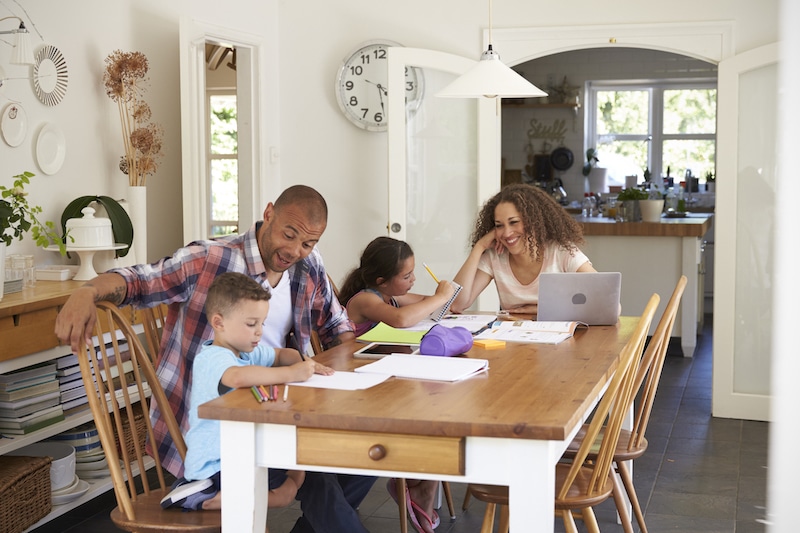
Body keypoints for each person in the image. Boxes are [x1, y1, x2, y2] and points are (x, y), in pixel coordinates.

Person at [55, 185, 374, 533]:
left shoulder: (307, 267)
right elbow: (139, 282)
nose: (295, 250)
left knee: (363, 459)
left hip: (279, 408)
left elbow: (336, 323)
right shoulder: (209, 259)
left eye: (308, 243)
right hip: (214, 424)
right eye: (289, 234)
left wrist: (347, 367)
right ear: (269, 214)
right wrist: (85, 291)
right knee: (320, 477)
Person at [162, 272, 333, 511]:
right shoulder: (212, 358)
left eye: (262, 323)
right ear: (219, 323)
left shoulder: (246, 351)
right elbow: (238, 376)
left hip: (244, 451)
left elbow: (280, 355)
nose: (259, 332)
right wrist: (292, 374)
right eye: (251, 324)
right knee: (291, 489)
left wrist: (303, 361)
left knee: (313, 476)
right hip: (218, 464)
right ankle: (207, 497)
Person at [339, 236, 455, 533]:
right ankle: (416, 482)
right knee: (430, 410)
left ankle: (417, 481)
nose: (413, 279)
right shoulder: (366, 299)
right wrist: (440, 298)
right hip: (359, 391)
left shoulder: (387, 294)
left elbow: (419, 304)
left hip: (383, 380)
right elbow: (402, 320)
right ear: (382, 280)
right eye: (406, 276)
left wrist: (440, 299)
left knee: (438, 406)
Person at [451, 183, 596, 315]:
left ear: (534, 220)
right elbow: (456, 305)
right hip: (514, 340)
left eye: (514, 222)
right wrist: (479, 247)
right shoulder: (495, 256)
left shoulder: (561, 252)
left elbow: (609, 304)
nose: (507, 233)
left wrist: (541, 309)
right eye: (499, 225)